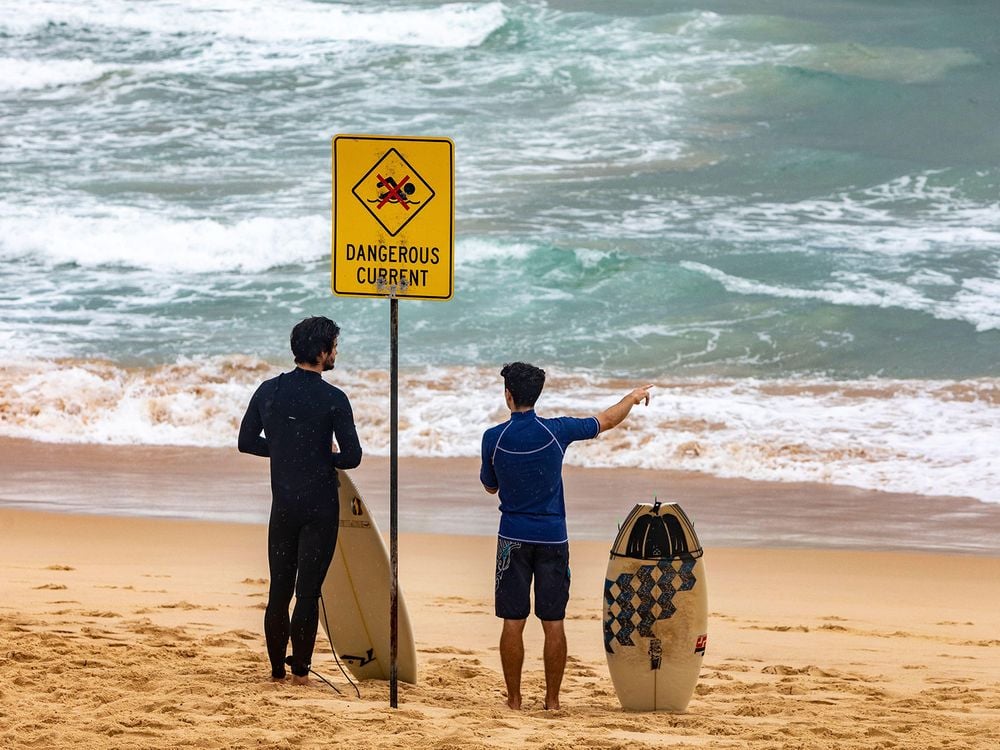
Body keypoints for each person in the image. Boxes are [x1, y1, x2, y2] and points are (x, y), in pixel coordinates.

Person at [480, 362, 652, 710]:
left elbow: (489, 485)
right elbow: (604, 420)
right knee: (553, 622)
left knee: (513, 622)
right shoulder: (556, 431)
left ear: (508, 395)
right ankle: (553, 701)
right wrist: (632, 398)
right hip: (553, 540)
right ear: (537, 395)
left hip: (512, 539)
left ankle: (514, 701)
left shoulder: (493, 438)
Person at [238, 316, 362, 684]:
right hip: (320, 507)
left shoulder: (268, 390)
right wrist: (322, 457)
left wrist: (284, 450)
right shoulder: (334, 399)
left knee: (279, 590)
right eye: (335, 347)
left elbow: (246, 441)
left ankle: (276, 671)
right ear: (322, 352)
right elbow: (352, 457)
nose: (336, 353)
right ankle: (301, 674)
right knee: (308, 593)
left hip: (284, 507)